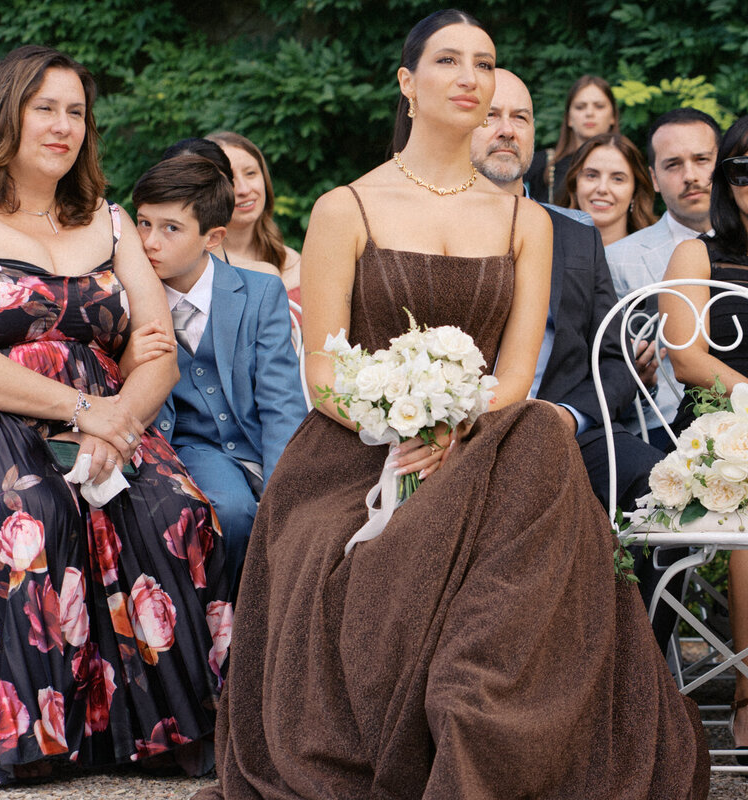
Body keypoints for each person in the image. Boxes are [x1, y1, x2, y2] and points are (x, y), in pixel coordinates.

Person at [208, 12, 709, 799]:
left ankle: (488, 714)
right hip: (355, 445)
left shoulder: (524, 220)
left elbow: (515, 376)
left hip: (481, 430)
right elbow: (324, 368)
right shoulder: (348, 207)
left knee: (543, 428)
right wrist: (396, 424)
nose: (471, 76)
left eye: (485, 62)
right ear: (408, 83)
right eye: (449, 60)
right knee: (341, 528)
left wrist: (450, 426)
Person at [0, 46, 230, 786]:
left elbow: (156, 346)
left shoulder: (105, 219)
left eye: (76, 111)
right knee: (35, 514)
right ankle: (39, 736)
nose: (63, 125)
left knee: (178, 509)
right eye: (46, 107)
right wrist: (81, 410)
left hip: (111, 417)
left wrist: (117, 422)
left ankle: (170, 729)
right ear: (5, 112)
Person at [470, 67, 679, 651]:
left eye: (522, 118)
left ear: (540, 134)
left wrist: (568, 416)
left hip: (566, 428)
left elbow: (614, 360)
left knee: (661, 487)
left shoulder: (577, 233)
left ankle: (639, 672)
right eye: (491, 115)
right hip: (459, 435)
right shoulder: (427, 230)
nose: (507, 131)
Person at [130, 153, 307, 599]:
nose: (150, 241)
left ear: (214, 237)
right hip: (185, 446)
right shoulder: (128, 296)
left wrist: (283, 485)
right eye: (143, 223)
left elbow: (281, 399)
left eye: (171, 228)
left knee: (298, 517)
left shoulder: (260, 291)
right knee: (229, 509)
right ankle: (223, 627)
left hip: (255, 441)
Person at [661, 116, 748, 764]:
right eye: (740, 169)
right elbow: (685, 357)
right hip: (722, 426)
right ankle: (747, 695)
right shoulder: (700, 253)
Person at [606, 108, 721, 448]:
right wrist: (642, 380)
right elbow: (617, 382)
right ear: (654, 179)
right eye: (673, 165)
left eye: (702, 160)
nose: (691, 175)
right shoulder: (617, 260)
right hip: (665, 431)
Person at [205, 131, 301, 309]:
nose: (243, 189)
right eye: (228, 179)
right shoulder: (198, 269)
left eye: (250, 173)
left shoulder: (292, 260)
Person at [524, 75, 618, 204]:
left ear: (613, 116)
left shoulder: (629, 166)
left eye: (599, 106)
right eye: (580, 107)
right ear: (569, 118)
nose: (589, 113)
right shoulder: (541, 165)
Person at [563, 132, 657, 246]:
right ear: (575, 184)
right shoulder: (547, 249)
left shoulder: (659, 256)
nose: (602, 189)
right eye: (591, 175)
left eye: (617, 179)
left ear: (635, 191)